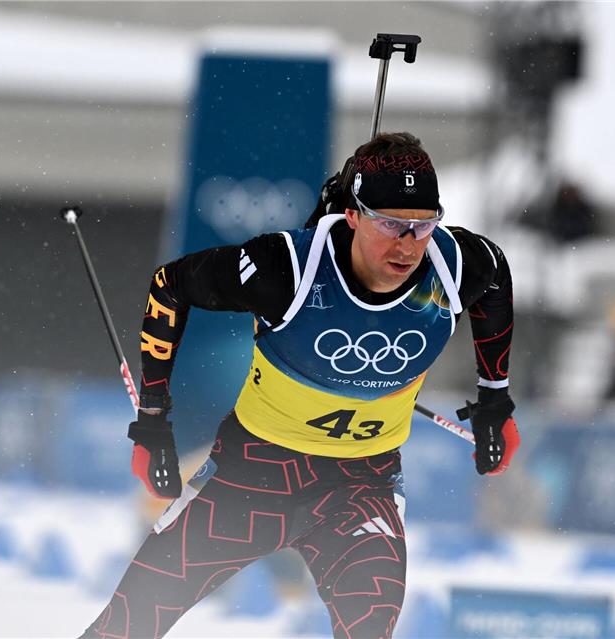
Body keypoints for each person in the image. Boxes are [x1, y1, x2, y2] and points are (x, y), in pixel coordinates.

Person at [79, 132, 519, 639]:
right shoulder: (288, 267)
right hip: (250, 476)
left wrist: (495, 401)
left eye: (423, 225)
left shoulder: (453, 264)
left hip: (361, 485)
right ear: (352, 215)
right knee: (125, 628)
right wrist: (153, 422)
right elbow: (171, 285)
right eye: (390, 224)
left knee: (369, 628)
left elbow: (496, 278)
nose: (408, 244)